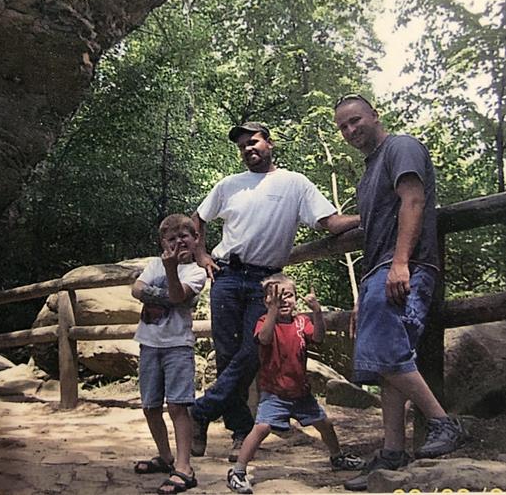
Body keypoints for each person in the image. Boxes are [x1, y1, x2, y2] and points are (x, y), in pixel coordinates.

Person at [190, 121, 360, 461]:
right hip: (226, 275)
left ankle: (201, 411)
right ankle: (240, 431)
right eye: (242, 146)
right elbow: (198, 219)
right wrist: (201, 255)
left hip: (265, 282)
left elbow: (331, 222)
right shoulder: (229, 185)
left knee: (254, 350)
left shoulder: (294, 183)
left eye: (253, 141)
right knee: (227, 355)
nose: (248, 149)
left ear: (270, 143)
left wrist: (370, 215)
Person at [333, 94, 465, 491]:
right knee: (387, 359)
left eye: (356, 120)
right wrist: (364, 293)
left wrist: (401, 262)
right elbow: (371, 227)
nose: (350, 130)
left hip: (404, 266)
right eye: (343, 126)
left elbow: (414, 200)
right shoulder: (368, 173)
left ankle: (443, 422)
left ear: (375, 115)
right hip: (380, 269)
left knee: (387, 353)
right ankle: (393, 451)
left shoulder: (401, 147)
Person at [226, 273, 364, 494]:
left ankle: (337, 457)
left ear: (296, 299)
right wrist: (272, 311)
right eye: (275, 296)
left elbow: (318, 337)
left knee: (325, 424)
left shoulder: (301, 322)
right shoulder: (264, 322)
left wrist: (317, 311)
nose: (283, 300)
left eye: (288, 295)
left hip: (301, 392)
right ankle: (238, 471)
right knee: (262, 428)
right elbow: (264, 338)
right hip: (274, 392)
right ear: (266, 301)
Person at [132, 214, 207, 495]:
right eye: (171, 238)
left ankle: (184, 467)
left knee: (177, 406)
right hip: (149, 343)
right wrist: (162, 292)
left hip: (178, 345)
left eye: (184, 236)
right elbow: (136, 289)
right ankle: (165, 457)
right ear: (163, 242)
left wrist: (170, 273)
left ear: (196, 239)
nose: (178, 242)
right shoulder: (154, 264)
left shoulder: (196, 272)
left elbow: (177, 296)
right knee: (150, 406)